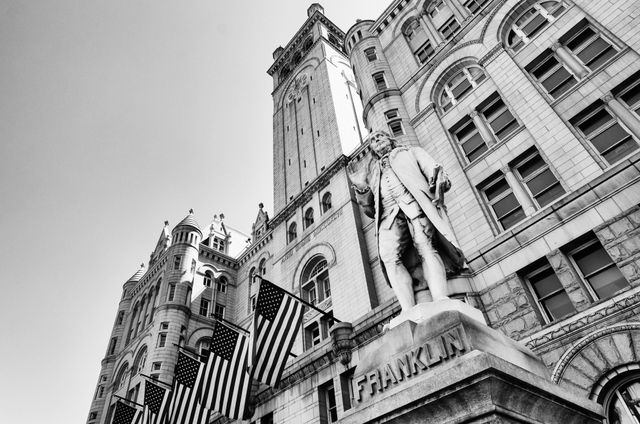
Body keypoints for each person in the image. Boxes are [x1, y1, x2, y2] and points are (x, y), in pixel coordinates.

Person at [347, 130, 464, 315]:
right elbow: (370, 210)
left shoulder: (411, 152)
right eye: (372, 140)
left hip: (414, 205)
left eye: (380, 136)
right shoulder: (373, 172)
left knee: (426, 247)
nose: (376, 140)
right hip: (389, 217)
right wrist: (361, 188)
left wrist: (438, 178)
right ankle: (408, 310)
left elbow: (435, 170)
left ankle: (441, 298)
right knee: (388, 258)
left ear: (390, 139)